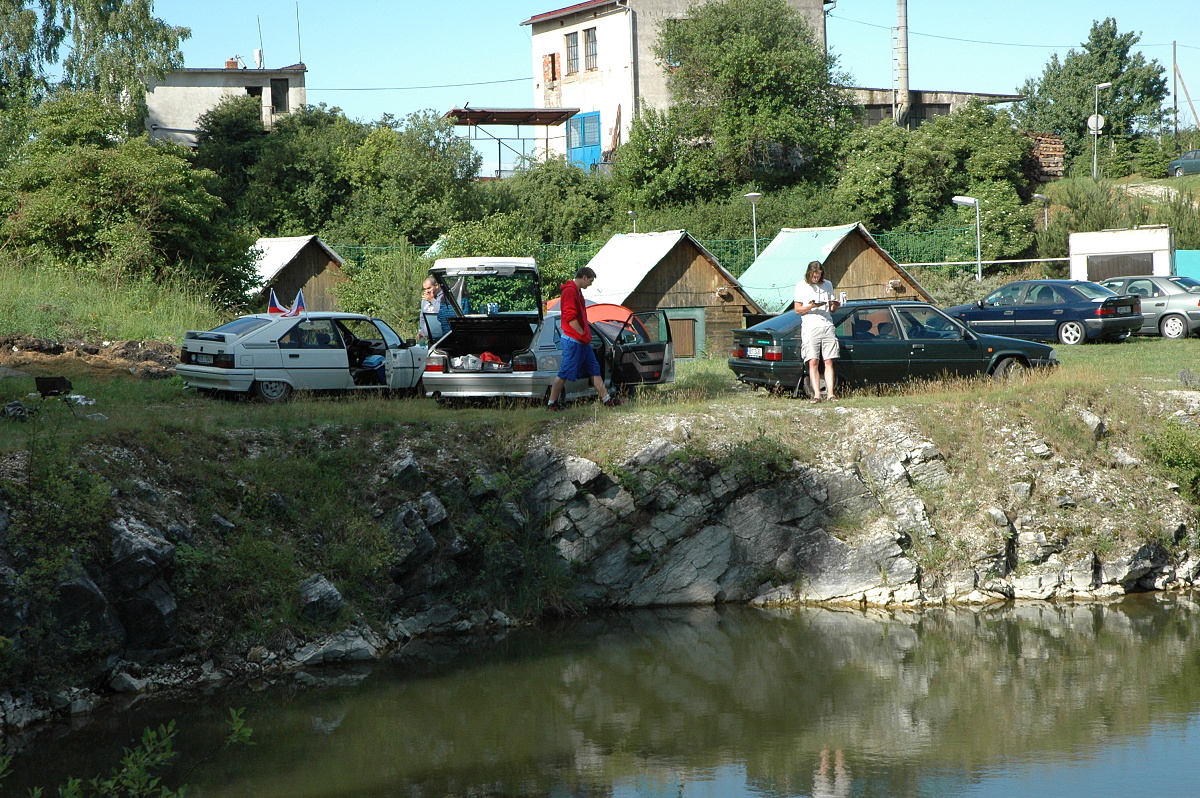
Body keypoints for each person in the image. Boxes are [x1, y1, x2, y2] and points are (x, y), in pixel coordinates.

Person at [547, 266, 620, 411]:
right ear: (584, 277)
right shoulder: (569, 291)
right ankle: (551, 404)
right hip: (573, 341)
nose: (590, 285)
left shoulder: (578, 291)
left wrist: (585, 336)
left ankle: (607, 400)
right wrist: (581, 333)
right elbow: (570, 317)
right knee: (564, 373)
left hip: (583, 342)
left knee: (594, 370)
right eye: (590, 281)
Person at [794, 260, 840, 403]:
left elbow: (831, 309)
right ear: (809, 274)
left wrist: (835, 305)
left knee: (829, 360)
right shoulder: (801, 286)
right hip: (810, 324)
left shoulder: (828, 285)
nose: (816, 278)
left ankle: (831, 394)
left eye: (819, 275)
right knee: (813, 360)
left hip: (826, 324)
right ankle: (817, 394)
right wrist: (811, 306)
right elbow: (797, 309)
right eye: (814, 276)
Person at [418, 277, 441, 345]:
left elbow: (443, 312)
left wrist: (432, 300)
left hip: (442, 338)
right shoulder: (425, 300)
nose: (427, 291)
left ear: (436, 285)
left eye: (429, 288)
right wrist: (421, 331)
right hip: (430, 339)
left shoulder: (443, 298)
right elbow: (422, 317)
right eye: (425, 289)